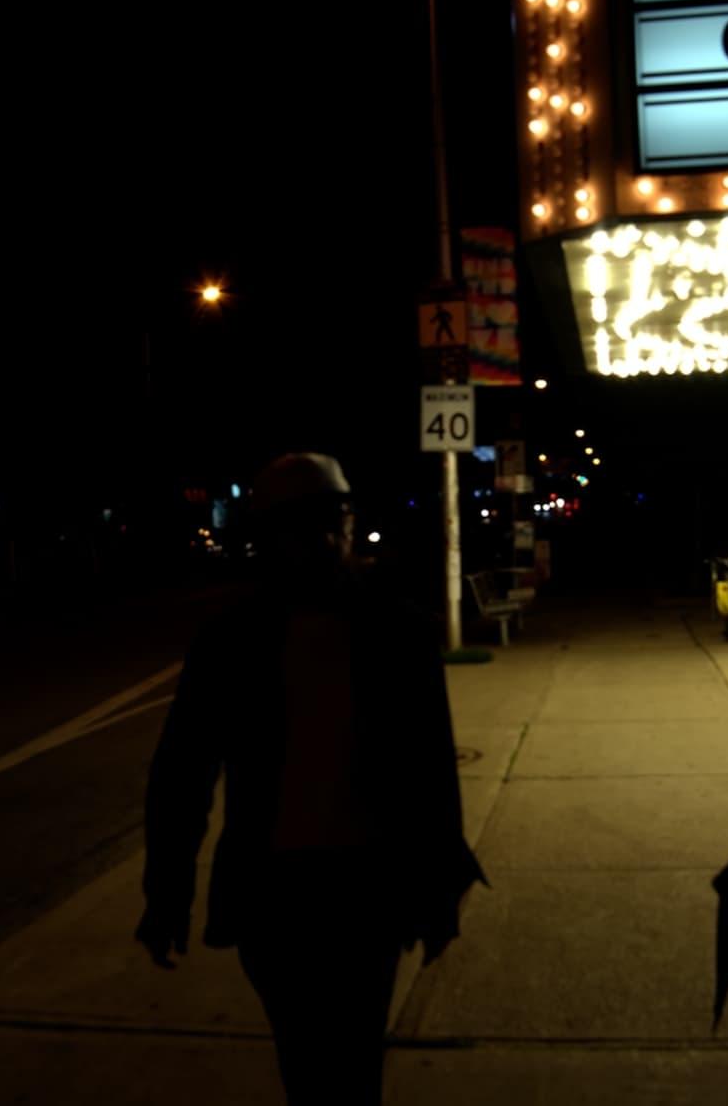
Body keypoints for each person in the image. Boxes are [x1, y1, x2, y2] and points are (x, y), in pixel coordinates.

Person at [137, 452, 485, 1106]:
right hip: (276, 895)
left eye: (337, 520)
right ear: (268, 538)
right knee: (306, 1060)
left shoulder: (397, 631)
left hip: (368, 888)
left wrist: (439, 892)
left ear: (352, 524)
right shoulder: (232, 642)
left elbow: (431, 774)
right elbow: (183, 773)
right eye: (303, 526)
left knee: (352, 1062)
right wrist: (166, 894)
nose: (325, 538)